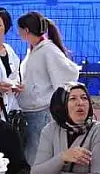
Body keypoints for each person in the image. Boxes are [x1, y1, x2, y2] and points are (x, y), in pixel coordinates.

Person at [16, 12, 81, 164]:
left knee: (38, 154)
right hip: (30, 111)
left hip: (41, 110)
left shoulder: (48, 50)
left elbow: (68, 73)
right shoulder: (34, 50)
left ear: (26, 31)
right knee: (31, 152)